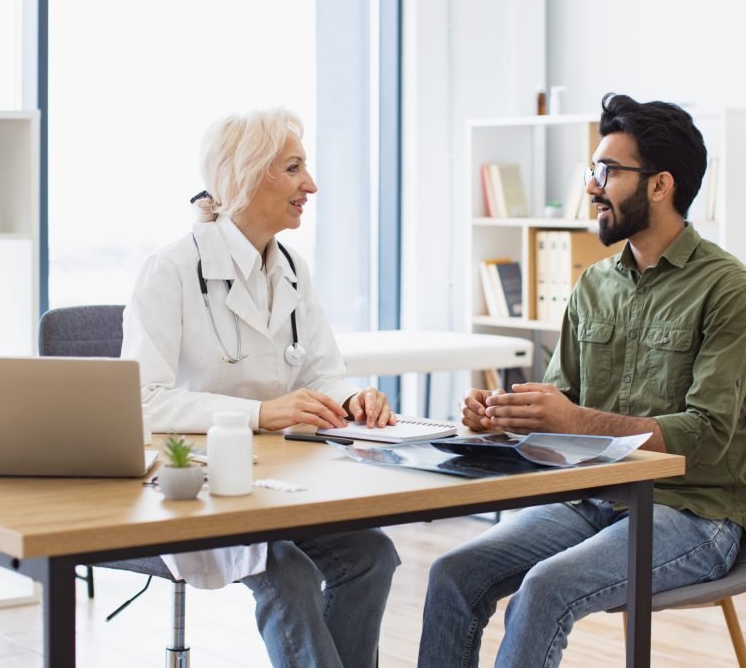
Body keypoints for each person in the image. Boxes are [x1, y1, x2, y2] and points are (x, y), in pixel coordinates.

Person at [418, 93, 746, 668]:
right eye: (592, 170)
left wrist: (572, 420)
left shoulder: (727, 290)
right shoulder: (593, 284)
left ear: (660, 185)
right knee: (453, 573)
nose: (593, 186)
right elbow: (557, 403)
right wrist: (503, 415)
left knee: (546, 587)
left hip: (695, 512)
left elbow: (708, 433)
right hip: (592, 498)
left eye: (607, 171)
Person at [121, 107, 400, 668]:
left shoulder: (292, 267)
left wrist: (350, 398)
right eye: (294, 168)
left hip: (276, 481)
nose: (311, 185)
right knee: (287, 575)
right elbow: (142, 402)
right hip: (190, 486)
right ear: (246, 177)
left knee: (372, 555)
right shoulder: (171, 270)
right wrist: (258, 413)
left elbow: (321, 371)